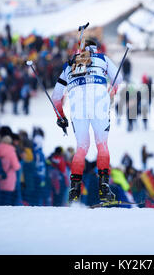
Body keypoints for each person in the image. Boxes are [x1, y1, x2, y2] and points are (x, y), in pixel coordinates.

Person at [51, 38, 123, 203]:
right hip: (99, 105)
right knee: (102, 145)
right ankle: (104, 188)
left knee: (82, 148)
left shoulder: (69, 65)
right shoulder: (102, 58)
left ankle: (74, 190)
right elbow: (118, 79)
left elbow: (56, 96)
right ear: (95, 49)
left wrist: (60, 116)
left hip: (78, 109)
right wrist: (112, 91)